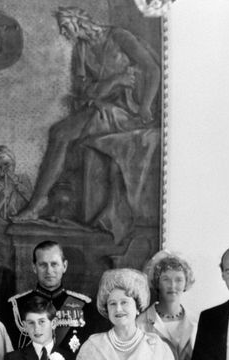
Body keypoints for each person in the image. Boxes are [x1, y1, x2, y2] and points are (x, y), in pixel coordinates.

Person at [14, 7, 160, 231]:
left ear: (77, 21)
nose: (63, 32)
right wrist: (114, 81)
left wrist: (145, 106)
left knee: (60, 133)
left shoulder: (119, 36)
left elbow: (152, 69)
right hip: (102, 108)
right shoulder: (81, 49)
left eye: (65, 26)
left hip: (128, 111)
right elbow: (83, 91)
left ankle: (36, 204)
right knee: (59, 132)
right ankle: (39, 202)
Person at [5, 240, 102, 350]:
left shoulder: (85, 306)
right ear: (34, 267)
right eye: (43, 265)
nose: (49, 271)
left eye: (54, 264)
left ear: (64, 266)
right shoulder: (16, 306)